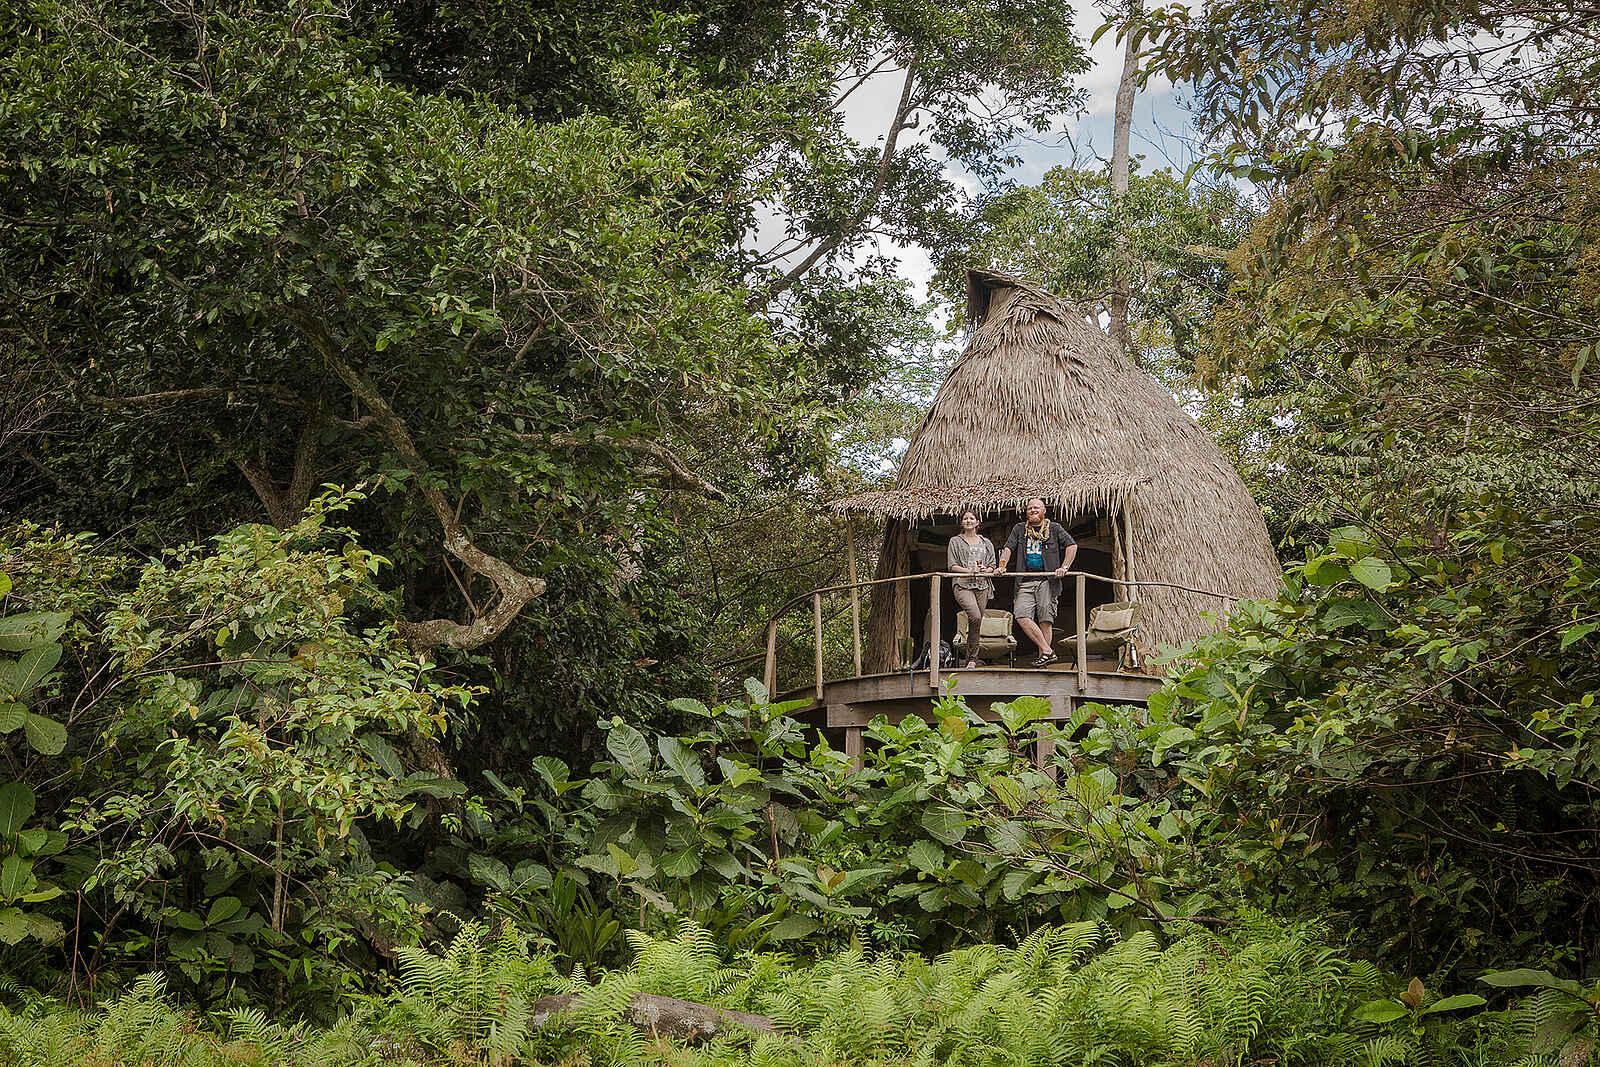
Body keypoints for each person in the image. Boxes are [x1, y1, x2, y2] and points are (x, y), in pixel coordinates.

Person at [995, 498, 1078, 667]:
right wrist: (1002, 565)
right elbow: (1008, 548)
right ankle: (1048, 651)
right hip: (1025, 581)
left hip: (1047, 580)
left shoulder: (1054, 528)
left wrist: (1064, 567)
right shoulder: (1019, 529)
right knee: (1021, 614)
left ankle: (1044, 659)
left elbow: (1072, 546)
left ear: (1043, 511)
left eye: (1036, 507)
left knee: (1045, 620)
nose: (1032, 510)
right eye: (1029, 508)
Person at [946, 507, 996, 669]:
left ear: (977, 523)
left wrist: (985, 571)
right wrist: (969, 571)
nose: (968, 521)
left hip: (982, 585)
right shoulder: (955, 541)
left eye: (971, 518)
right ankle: (970, 657)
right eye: (965, 518)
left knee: (976, 622)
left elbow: (992, 565)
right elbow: (952, 565)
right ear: (962, 522)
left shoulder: (986, 542)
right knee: (974, 615)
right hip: (963, 584)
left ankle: (972, 659)